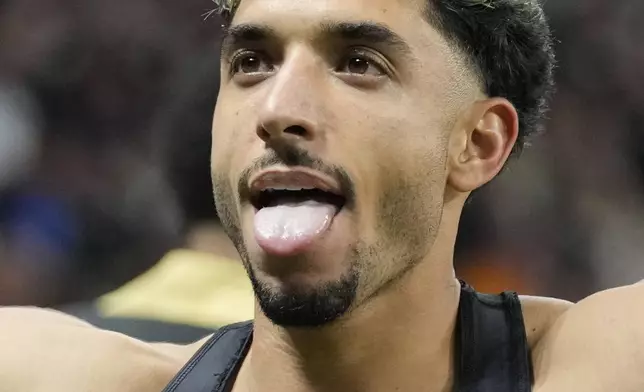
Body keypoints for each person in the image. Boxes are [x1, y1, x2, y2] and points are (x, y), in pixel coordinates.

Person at [2, 0, 644, 391]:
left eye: (359, 62)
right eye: (252, 61)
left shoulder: (594, 364)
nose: (278, 109)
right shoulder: (54, 374)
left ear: (478, 143)